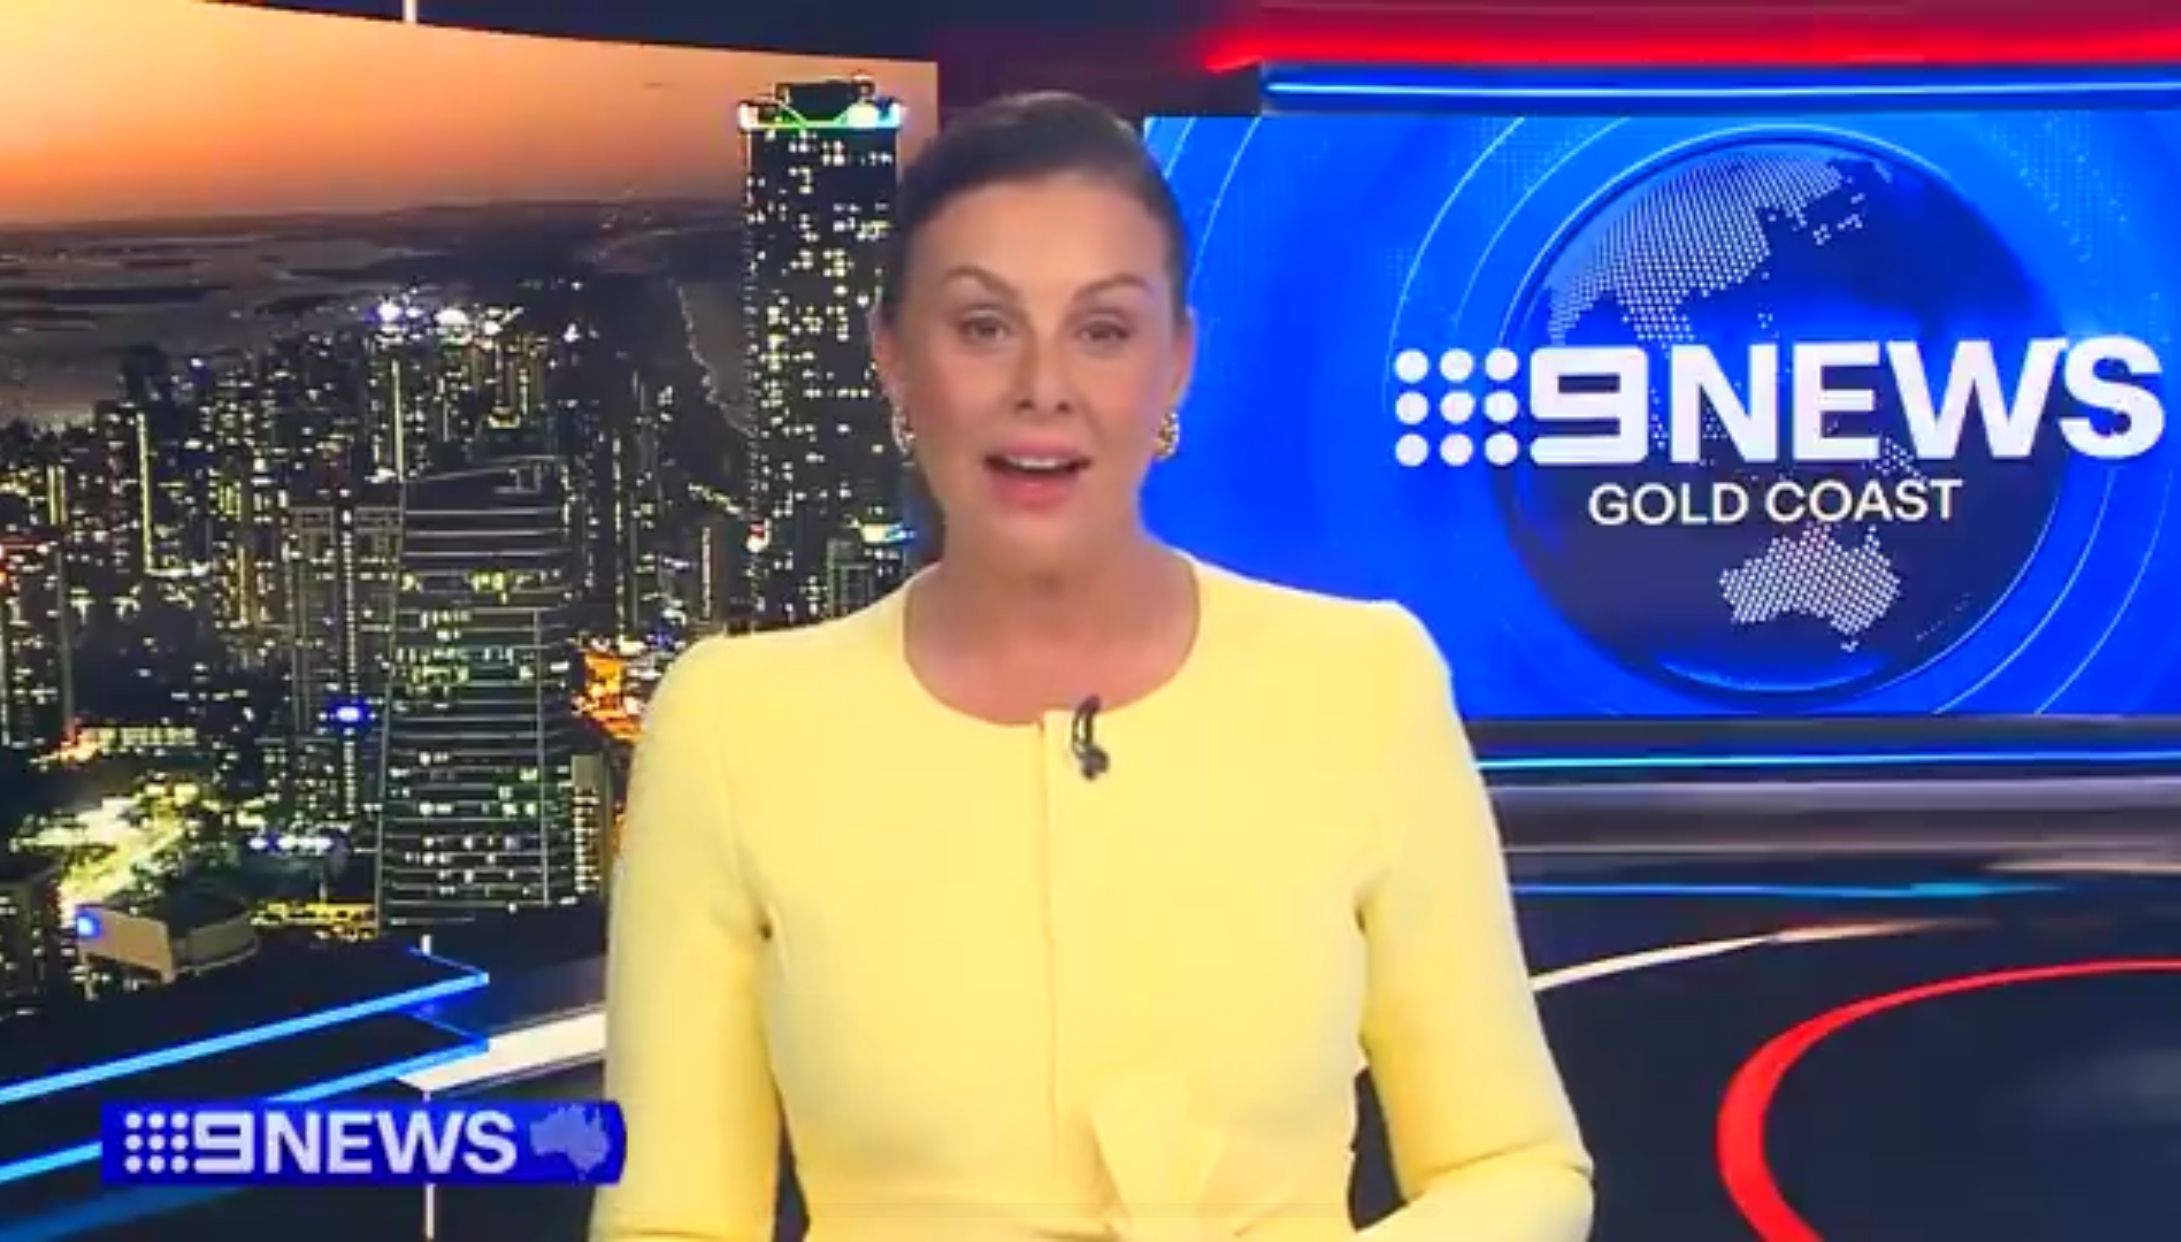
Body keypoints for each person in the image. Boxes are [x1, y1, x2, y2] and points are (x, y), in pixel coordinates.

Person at [592, 91, 1593, 1242]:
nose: (1044, 387)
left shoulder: (1364, 684)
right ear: (894, 359)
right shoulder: (736, 725)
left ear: (1177, 364)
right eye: (983, 327)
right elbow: (666, 1223)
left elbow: (1517, 1169)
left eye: (1103, 331)